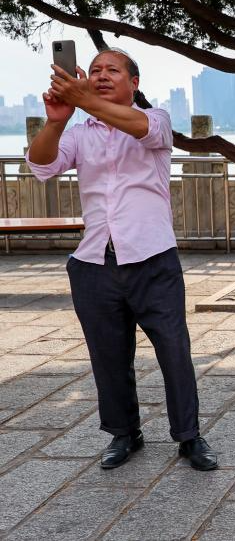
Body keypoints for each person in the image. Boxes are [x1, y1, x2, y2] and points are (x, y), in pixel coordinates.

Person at [26, 48, 218, 471]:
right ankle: (124, 433)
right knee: (108, 357)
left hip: (153, 260)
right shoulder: (80, 133)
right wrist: (56, 122)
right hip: (95, 263)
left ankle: (189, 436)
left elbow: (142, 128)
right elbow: (41, 165)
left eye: (112, 70)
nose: (101, 75)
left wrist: (83, 100)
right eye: (95, 70)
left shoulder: (156, 119)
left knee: (174, 351)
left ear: (134, 83)